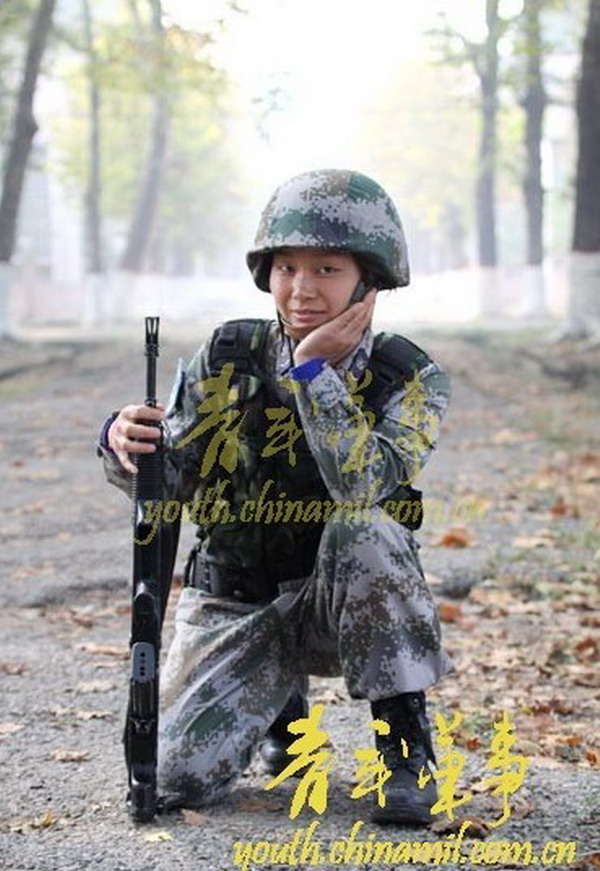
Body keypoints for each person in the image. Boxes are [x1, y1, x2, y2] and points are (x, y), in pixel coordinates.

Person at [98, 169, 453, 826]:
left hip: (338, 609)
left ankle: (405, 746)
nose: (302, 288)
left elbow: (361, 483)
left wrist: (313, 371)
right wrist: (127, 447)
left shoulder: (408, 377)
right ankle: (283, 718)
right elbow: (173, 486)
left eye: (326, 269)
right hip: (237, 601)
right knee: (174, 776)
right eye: (287, 267)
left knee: (367, 527)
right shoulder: (227, 356)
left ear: (369, 281)